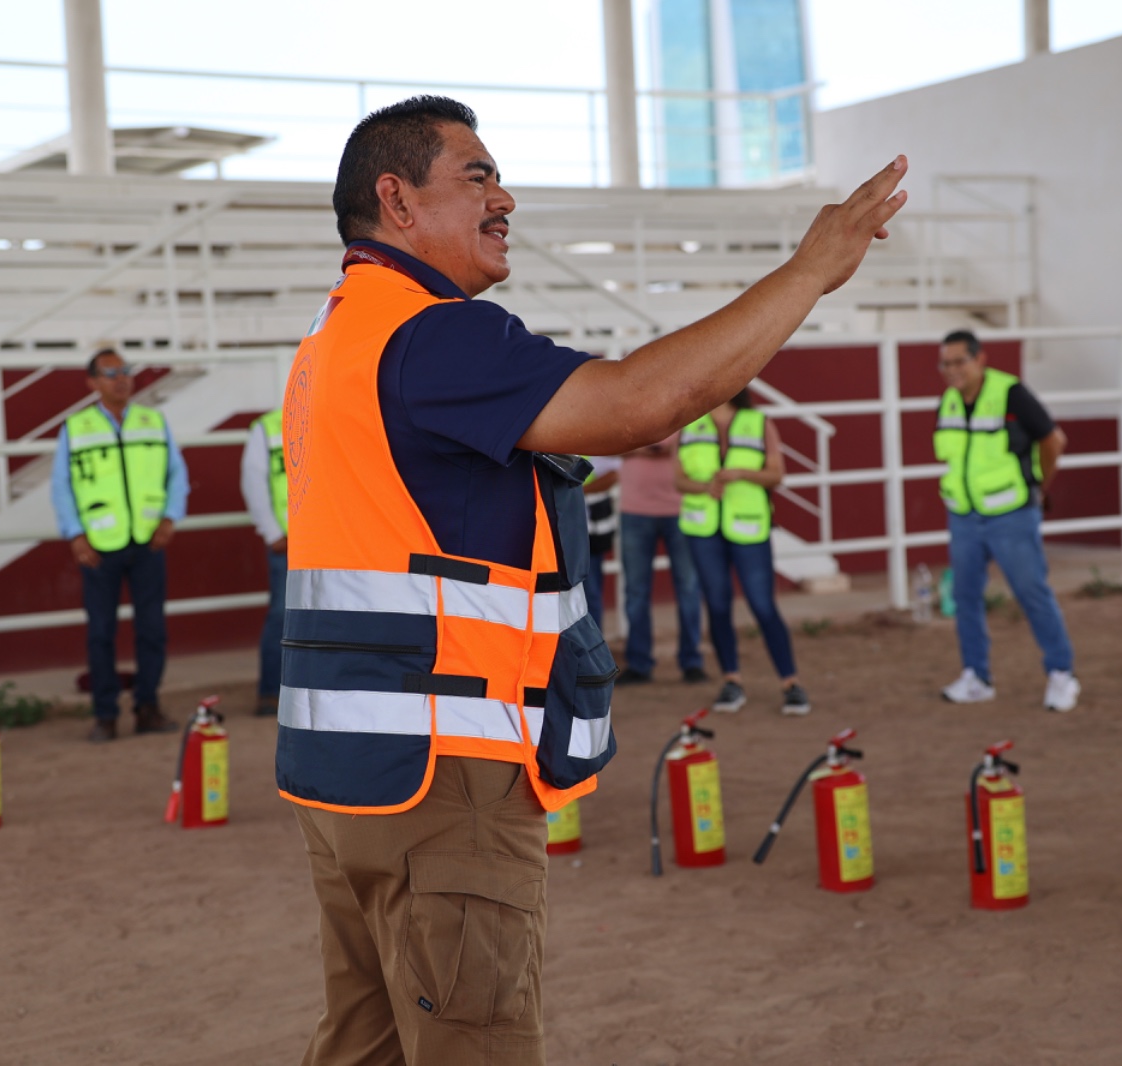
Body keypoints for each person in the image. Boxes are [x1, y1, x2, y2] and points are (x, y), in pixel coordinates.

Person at [280, 95, 904, 1065]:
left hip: (352, 785)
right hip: (444, 783)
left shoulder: (334, 341)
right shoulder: (433, 335)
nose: (506, 198)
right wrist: (810, 271)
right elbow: (646, 404)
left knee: (366, 1045)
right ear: (396, 202)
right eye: (477, 176)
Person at [932, 330, 1079, 712]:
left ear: (980, 359)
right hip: (963, 516)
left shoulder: (1011, 393)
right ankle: (976, 677)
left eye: (959, 361)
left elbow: (1053, 441)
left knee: (1032, 592)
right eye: (945, 363)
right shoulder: (947, 401)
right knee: (964, 597)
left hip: (1011, 514)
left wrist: (1039, 485)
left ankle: (1062, 674)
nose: (952, 370)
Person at [52, 349, 189, 743]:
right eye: (109, 373)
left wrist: (170, 517)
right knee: (101, 632)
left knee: (152, 630)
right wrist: (75, 534)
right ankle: (106, 714)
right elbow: (62, 486)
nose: (120, 379)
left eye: (124, 371)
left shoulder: (153, 421)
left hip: (148, 540)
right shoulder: (75, 428)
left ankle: (147, 706)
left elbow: (176, 473)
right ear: (92, 383)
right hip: (99, 544)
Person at [676, 389, 811, 715]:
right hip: (702, 528)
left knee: (763, 605)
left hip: (749, 527)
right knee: (718, 604)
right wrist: (705, 486)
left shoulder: (759, 422)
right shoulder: (690, 424)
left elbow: (776, 475)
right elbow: (678, 480)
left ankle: (790, 682)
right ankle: (731, 681)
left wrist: (741, 474)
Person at [614, 434, 708, 685]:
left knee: (688, 588)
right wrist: (650, 447)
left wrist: (638, 446)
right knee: (636, 590)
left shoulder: (684, 403)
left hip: (680, 507)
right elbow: (612, 444)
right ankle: (639, 662)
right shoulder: (627, 405)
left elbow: (693, 447)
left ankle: (691, 661)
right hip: (635, 509)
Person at [240, 408, 286, 717]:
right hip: (289, 542)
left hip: (329, 542)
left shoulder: (334, 415)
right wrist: (272, 532)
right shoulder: (268, 426)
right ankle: (269, 692)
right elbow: (253, 480)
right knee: (282, 616)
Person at [582, 455, 620, 630]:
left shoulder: (591, 438)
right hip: (563, 528)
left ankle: (593, 650)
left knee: (591, 594)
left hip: (591, 532)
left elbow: (613, 474)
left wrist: (577, 491)